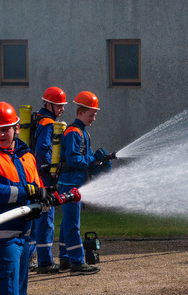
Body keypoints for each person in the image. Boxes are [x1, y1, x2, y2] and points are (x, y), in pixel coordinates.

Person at [0, 101, 58, 294]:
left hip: (23, 239)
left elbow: (37, 188)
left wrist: (44, 198)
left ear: (16, 128)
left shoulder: (26, 156)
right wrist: (31, 192)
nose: (0, 135)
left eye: (5, 129)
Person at [57, 91, 112, 275]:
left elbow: (81, 160)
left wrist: (97, 163)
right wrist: (92, 159)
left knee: (67, 223)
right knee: (72, 224)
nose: (94, 118)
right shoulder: (74, 132)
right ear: (80, 112)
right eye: (91, 114)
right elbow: (73, 160)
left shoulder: (82, 132)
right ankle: (77, 262)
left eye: (95, 114)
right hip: (70, 184)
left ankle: (65, 258)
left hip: (73, 182)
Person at [33, 86, 67, 274]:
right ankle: (45, 262)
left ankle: (29, 258)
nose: (62, 109)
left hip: (32, 175)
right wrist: (50, 170)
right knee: (46, 219)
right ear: (49, 104)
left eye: (63, 106)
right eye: (59, 106)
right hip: (44, 178)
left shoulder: (37, 118)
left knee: (33, 217)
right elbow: (42, 150)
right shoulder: (47, 123)